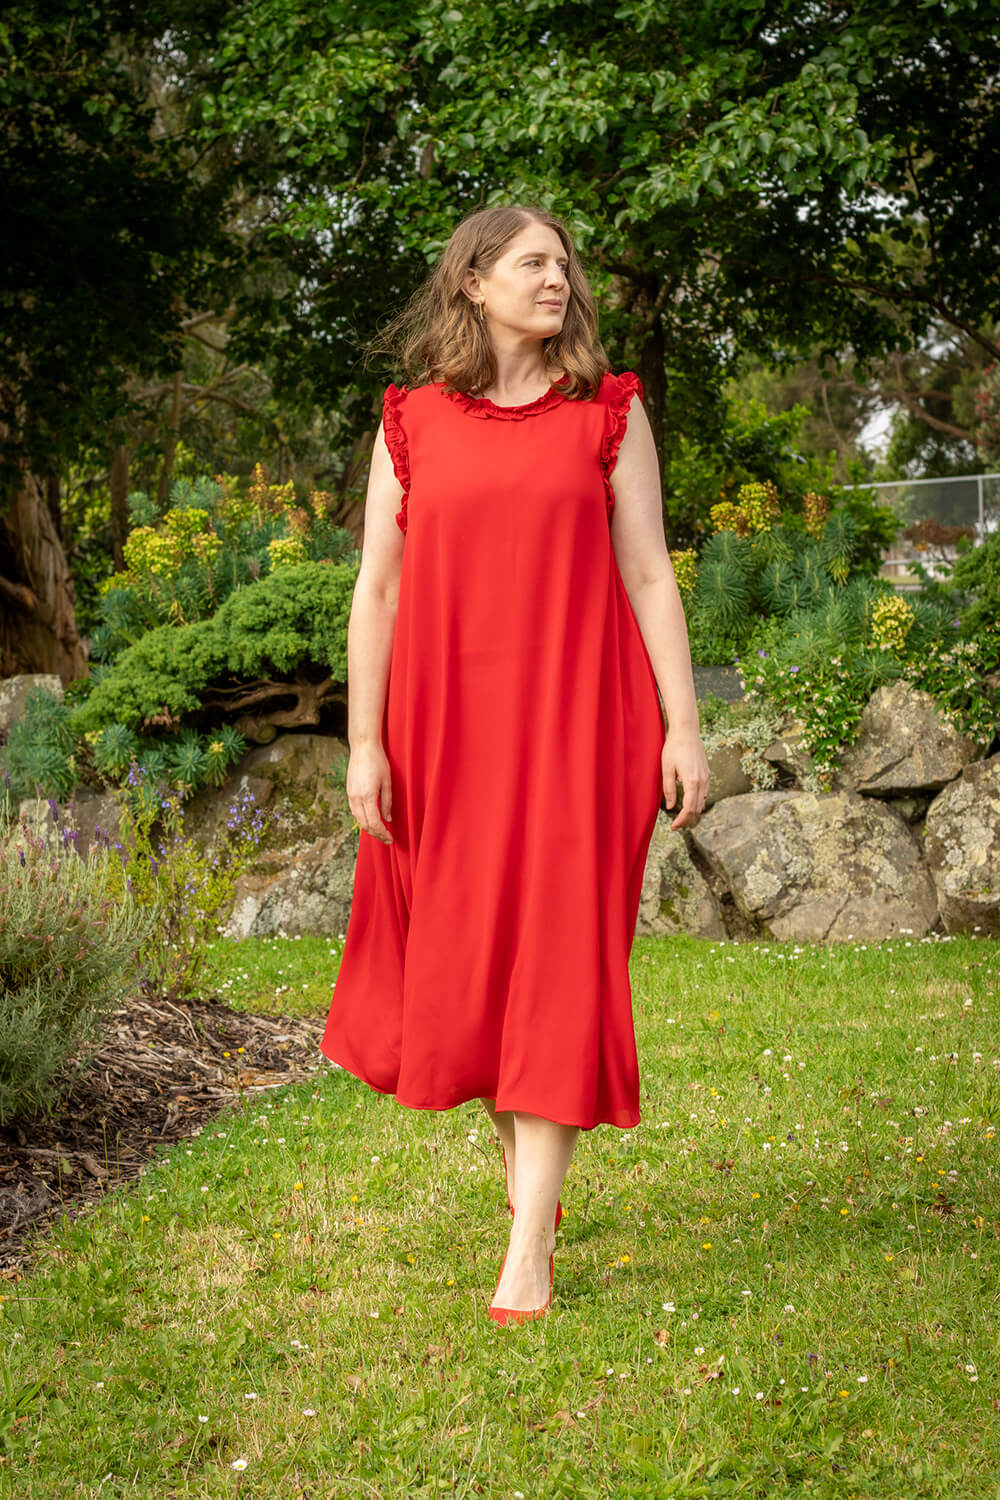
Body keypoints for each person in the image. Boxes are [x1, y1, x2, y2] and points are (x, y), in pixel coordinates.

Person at [320, 202, 710, 1325]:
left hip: (582, 730)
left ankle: (528, 1244)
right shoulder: (411, 421)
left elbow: (650, 576)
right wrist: (364, 742)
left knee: (558, 966)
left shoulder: (608, 414)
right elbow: (377, 590)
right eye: (535, 262)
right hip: (446, 737)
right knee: (478, 973)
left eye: (565, 265)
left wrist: (683, 727)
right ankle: (532, 1193)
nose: (559, 280)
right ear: (473, 281)